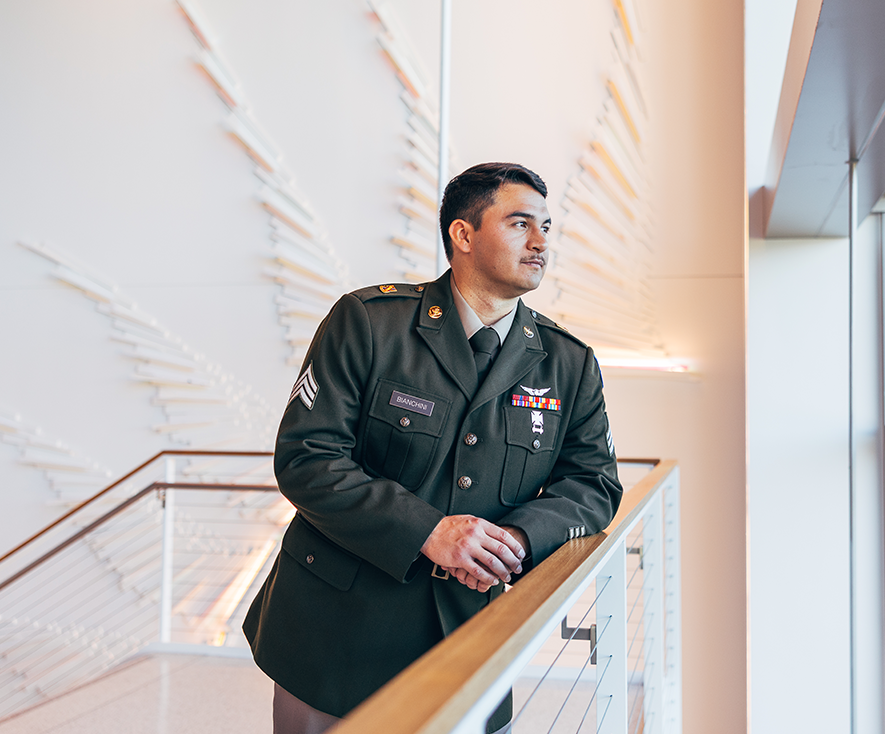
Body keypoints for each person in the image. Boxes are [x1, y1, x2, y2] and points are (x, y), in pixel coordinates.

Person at [243, 162, 623, 734]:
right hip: (336, 632)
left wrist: (517, 539)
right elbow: (308, 457)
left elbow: (593, 482)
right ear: (462, 235)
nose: (542, 242)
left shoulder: (568, 363)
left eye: (547, 226)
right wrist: (429, 530)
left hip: (470, 635)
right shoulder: (370, 324)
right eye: (520, 224)